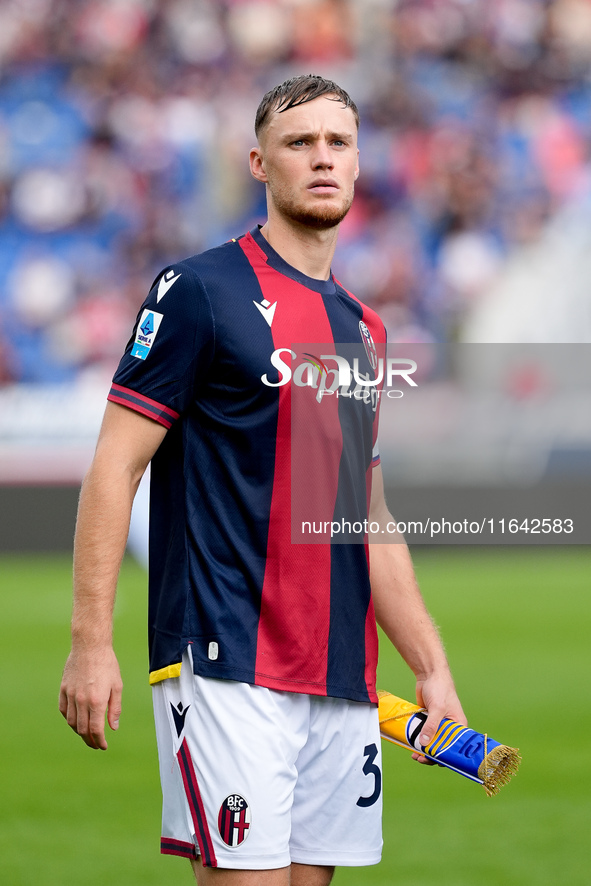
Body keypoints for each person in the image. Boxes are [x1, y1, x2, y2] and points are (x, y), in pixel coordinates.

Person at [59, 75, 465, 886]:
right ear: (259, 162)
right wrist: (89, 642)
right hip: (223, 657)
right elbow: (115, 465)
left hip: (341, 677)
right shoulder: (198, 292)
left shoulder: (362, 328)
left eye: (338, 143)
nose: (322, 158)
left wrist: (429, 664)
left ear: (357, 164)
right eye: (299, 142)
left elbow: (366, 514)